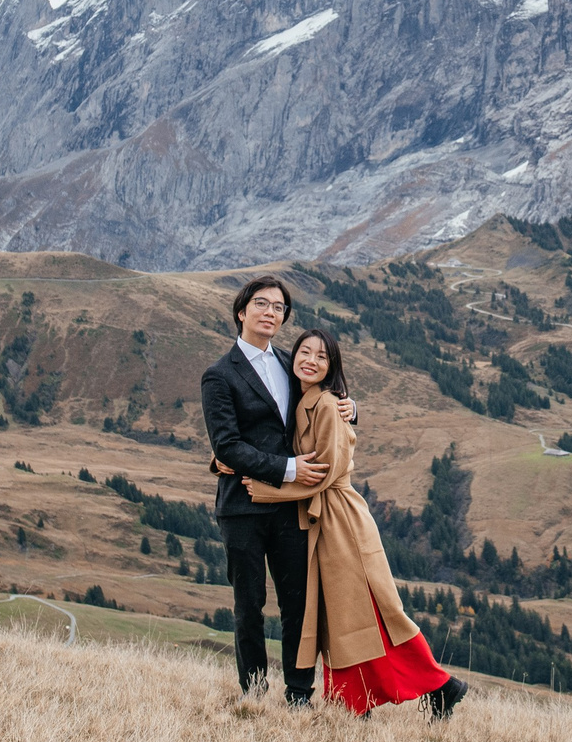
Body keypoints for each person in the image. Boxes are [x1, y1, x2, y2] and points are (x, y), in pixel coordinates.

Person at [234, 328, 469, 719]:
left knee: (370, 613)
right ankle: (362, 699)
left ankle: (440, 685)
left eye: (321, 357)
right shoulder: (304, 398)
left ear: (332, 367)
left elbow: (323, 473)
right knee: (346, 616)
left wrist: (264, 489)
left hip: (340, 520)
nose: (310, 360)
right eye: (304, 353)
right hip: (322, 521)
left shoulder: (324, 404)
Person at [200, 274, 349, 705]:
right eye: (262, 304)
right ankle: (254, 691)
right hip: (243, 507)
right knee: (249, 605)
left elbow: (325, 399)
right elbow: (226, 445)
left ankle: (299, 693)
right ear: (242, 311)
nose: (270, 312)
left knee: (297, 604)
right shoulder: (218, 376)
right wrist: (288, 469)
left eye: (279, 307)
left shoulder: (291, 362)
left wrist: (351, 407)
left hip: (290, 508)